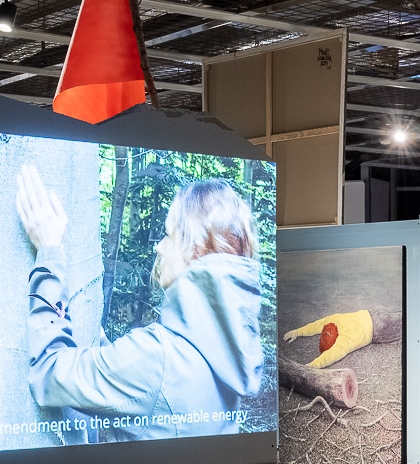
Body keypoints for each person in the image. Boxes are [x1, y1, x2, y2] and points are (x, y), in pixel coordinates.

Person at [15, 163, 266, 438]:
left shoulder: (157, 359)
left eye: (169, 236)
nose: (160, 246)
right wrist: (104, 349)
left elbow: (48, 372)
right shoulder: (225, 353)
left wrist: (50, 252)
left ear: (194, 251)